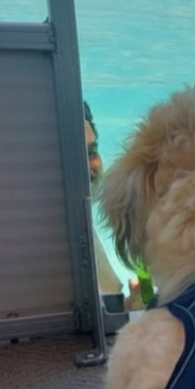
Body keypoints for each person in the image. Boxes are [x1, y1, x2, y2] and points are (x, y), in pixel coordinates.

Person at [84, 103, 144, 310]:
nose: (86, 165)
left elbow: (99, 315)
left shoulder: (79, 220)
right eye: (71, 153)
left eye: (92, 151)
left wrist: (130, 306)